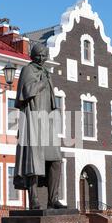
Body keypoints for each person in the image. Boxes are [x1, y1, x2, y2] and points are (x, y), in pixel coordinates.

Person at [14, 43, 66, 210]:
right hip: (33, 120)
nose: (42, 58)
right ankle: (34, 200)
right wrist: (41, 83)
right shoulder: (28, 70)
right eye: (39, 55)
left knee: (56, 160)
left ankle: (53, 199)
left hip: (47, 122)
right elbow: (25, 92)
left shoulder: (46, 73)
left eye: (44, 56)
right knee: (33, 162)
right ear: (32, 56)